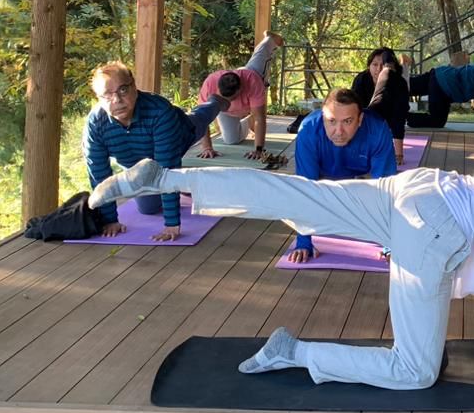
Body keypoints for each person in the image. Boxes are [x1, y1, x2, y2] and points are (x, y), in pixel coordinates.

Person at [89, 95, 474, 404]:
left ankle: (164, 179)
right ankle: (296, 352)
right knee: (414, 373)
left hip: (424, 190)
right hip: (440, 234)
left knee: (299, 194)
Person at [83, 61, 229, 242]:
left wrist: (172, 224)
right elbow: (99, 174)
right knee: (149, 208)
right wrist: (110, 220)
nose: (117, 100)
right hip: (140, 166)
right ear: (98, 98)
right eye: (107, 95)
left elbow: (167, 169)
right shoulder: (95, 124)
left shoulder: (160, 111)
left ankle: (215, 101)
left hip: (182, 133)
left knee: (201, 117)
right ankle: (185, 188)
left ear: (134, 87)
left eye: (123, 90)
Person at [287, 88, 399, 263]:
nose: (338, 131)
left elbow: (386, 192)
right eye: (331, 121)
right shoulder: (308, 130)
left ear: (360, 120)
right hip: (323, 174)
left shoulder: (377, 130)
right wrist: (303, 242)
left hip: (362, 174)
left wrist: (390, 244)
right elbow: (305, 189)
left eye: (347, 121)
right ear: (323, 118)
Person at [196, 32, 284, 160]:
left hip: (251, 72)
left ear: (240, 90)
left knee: (260, 56)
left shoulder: (252, 82)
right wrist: (207, 148)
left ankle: (270, 39)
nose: (228, 102)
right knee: (231, 140)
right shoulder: (210, 84)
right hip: (228, 113)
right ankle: (248, 122)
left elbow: (260, 118)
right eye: (223, 99)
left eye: (231, 99)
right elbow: (201, 119)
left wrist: (258, 149)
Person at [405, 53, 474, 130]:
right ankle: (403, 116)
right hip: (444, 87)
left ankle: (388, 85)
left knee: (405, 87)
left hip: (439, 74)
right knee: (437, 121)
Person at [352, 47, 410, 165]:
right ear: (369, 66)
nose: (378, 69)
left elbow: (399, 118)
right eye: (374, 64)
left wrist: (398, 154)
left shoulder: (400, 84)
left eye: (383, 65)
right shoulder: (361, 80)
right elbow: (353, 109)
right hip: (366, 116)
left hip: (388, 116)